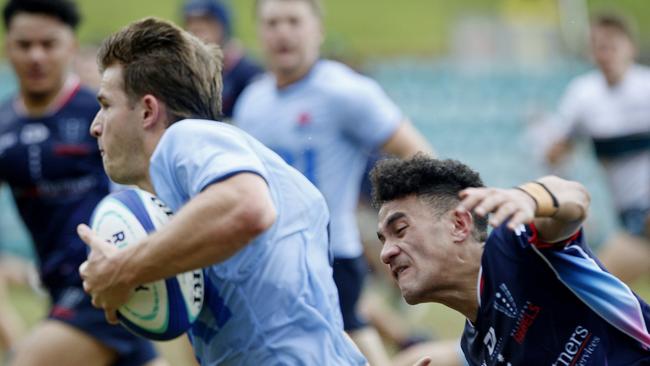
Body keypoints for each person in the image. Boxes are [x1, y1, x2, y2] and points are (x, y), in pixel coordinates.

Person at [77, 17, 366, 365]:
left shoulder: (186, 138)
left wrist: (124, 269)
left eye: (106, 105)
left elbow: (248, 208)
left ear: (149, 111)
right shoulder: (196, 176)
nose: (95, 126)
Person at [233, 0, 434, 363]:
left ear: (318, 30)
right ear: (259, 32)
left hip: (329, 253)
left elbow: (418, 153)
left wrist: (409, 219)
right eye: (272, 22)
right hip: (269, 257)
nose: (283, 32)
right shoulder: (252, 102)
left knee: (350, 336)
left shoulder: (345, 91)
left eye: (294, 21)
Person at [0, 1, 165, 365]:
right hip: (59, 290)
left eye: (49, 43)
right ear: (7, 47)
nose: (36, 56)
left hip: (109, 280)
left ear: (71, 45)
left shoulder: (103, 113)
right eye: (24, 45)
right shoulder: (4, 124)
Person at [372, 155, 650, 365]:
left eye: (400, 231)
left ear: (459, 224)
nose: (386, 253)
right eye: (383, 240)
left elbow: (574, 197)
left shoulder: (518, 244)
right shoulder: (476, 350)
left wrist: (528, 198)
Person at [545, 14, 650, 284]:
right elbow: (555, 153)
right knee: (593, 294)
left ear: (631, 48)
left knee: (593, 289)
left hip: (644, 219)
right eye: (597, 46)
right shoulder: (583, 95)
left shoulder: (646, 87)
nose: (605, 53)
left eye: (612, 45)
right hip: (630, 220)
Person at [183, 0, 263, 119]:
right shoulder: (184, 74)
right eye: (192, 24)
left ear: (223, 27)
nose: (197, 31)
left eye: (206, 23)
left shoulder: (248, 73)